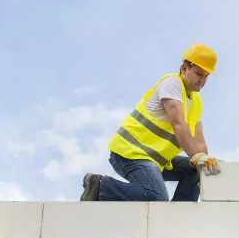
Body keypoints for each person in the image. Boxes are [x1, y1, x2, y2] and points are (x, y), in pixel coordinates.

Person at [80, 45, 223, 202]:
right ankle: (100, 185)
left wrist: (205, 163)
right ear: (184, 68)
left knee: (195, 170)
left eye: (206, 76)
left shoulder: (197, 102)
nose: (202, 80)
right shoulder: (172, 84)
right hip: (131, 153)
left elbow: (199, 141)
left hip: (155, 159)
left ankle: (180, 215)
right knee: (156, 197)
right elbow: (178, 123)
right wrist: (197, 156)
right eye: (198, 73)